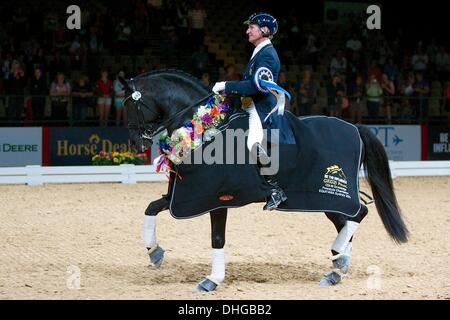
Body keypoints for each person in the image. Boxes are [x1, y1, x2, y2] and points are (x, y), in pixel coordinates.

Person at [211, 12, 287, 211]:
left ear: (264, 30)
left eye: (251, 27)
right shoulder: (259, 52)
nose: (247, 31)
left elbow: (255, 87)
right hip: (247, 105)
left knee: (252, 144)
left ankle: (275, 188)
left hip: (259, 109)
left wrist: (225, 85)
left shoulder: (268, 55)